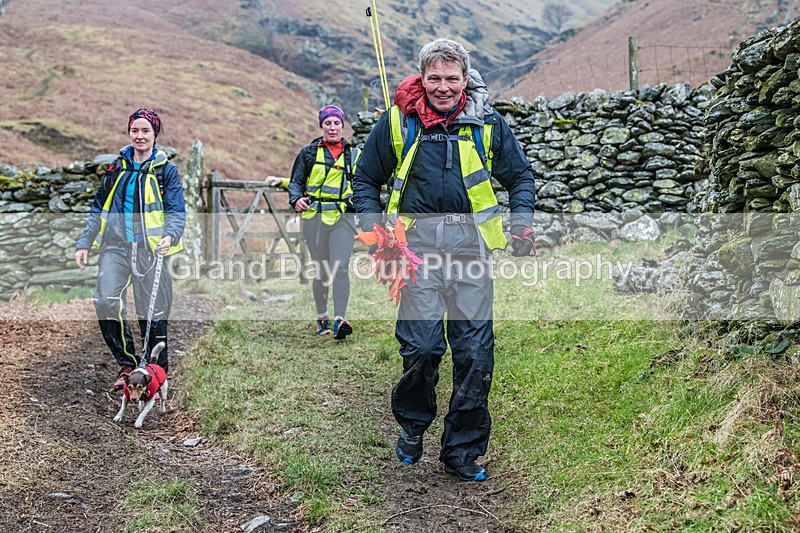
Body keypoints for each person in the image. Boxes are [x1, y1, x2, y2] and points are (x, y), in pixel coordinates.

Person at [352, 38, 536, 482]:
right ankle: (413, 427)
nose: (443, 86)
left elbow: (520, 176)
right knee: (422, 347)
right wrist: (376, 232)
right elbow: (365, 179)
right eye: (434, 77)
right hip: (416, 252)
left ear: (465, 79)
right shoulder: (399, 122)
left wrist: (522, 223)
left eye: (451, 78)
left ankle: (462, 451)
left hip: (472, 250)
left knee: (474, 353)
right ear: (422, 77)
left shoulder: (487, 122)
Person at [75, 108, 185, 390]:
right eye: (135, 130)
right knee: (105, 300)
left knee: (154, 311)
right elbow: (99, 207)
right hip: (116, 248)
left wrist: (171, 236)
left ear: (154, 134)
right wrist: (85, 242)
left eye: (145, 131)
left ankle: (155, 372)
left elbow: (176, 210)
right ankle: (127, 362)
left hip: (151, 250)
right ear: (129, 133)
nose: (139, 136)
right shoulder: (116, 168)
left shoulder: (166, 171)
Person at [288, 105, 360, 339]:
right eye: (327, 123)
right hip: (315, 218)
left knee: (339, 266)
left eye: (336, 123)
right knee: (321, 269)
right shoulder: (308, 153)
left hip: (342, 217)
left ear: (343, 125)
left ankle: (340, 319)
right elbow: (295, 182)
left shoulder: (354, 154)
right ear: (322, 126)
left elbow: (362, 182)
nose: (332, 127)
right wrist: (296, 199)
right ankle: (322, 317)